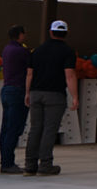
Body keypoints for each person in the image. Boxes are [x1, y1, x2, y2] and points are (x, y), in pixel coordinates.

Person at [24, 20, 78, 176]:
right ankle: (45, 165)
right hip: (55, 95)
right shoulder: (68, 51)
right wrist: (75, 96)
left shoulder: (37, 51)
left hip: (36, 93)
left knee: (35, 129)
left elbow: (29, 74)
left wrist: (27, 93)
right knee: (49, 130)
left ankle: (30, 165)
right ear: (66, 33)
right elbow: (69, 75)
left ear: (51, 32)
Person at [0, 24, 30, 175]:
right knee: (14, 128)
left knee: (5, 128)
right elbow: (31, 68)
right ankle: (8, 163)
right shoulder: (21, 51)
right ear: (20, 35)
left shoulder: (6, 49)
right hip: (18, 91)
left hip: (6, 89)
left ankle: (5, 160)